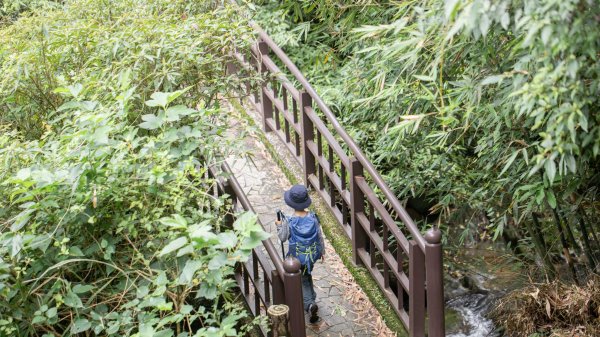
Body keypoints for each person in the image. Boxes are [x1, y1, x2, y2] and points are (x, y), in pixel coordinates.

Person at [276, 184, 325, 324]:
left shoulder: (290, 222)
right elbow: (319, 236)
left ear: (291, 203)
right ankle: (312, 296)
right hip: (311, 254)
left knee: (302, 278)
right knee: (307, 273)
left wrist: (279, 225)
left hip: (298, 257)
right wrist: (322, 251)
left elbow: (282, 237)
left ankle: (309, 304)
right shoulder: (313, 218)